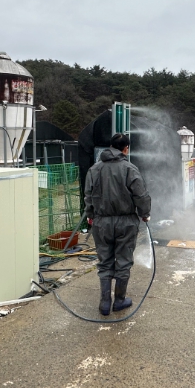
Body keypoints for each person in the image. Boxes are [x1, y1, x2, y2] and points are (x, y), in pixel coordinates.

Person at [84, 134, 151, 316]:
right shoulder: (130, 169)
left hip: (101, 222)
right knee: (123, 262)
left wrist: (90, 215)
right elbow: (141, 195)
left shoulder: (94, 169)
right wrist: (145, 214)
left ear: (111, 146)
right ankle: (119, 300)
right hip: (126, 222)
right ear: (125, 149)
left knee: (105, 262)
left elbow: (88, 196)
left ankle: (105, 303)